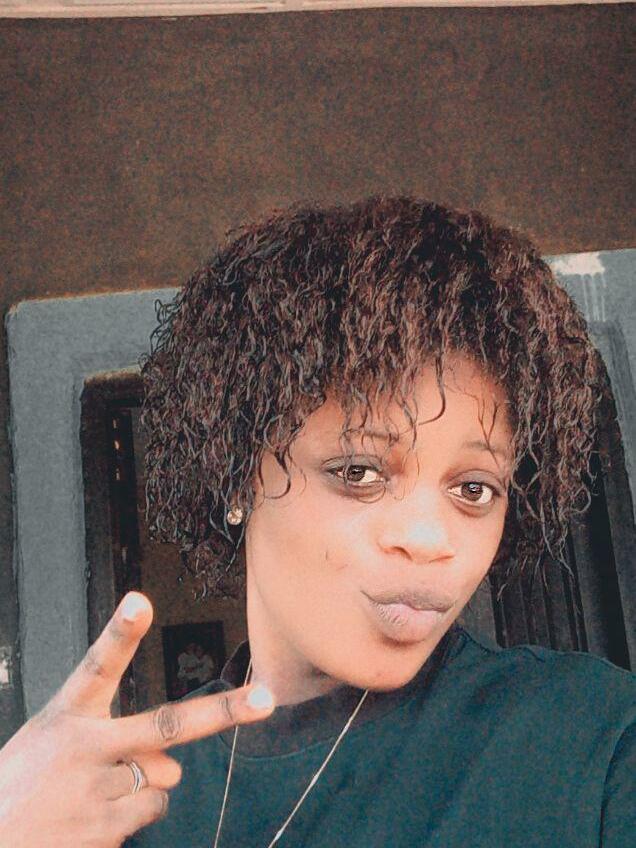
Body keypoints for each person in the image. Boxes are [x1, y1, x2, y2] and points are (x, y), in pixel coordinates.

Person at [0, 196, 633, 847]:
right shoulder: (123, 803)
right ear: (238, 475)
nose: (427, 539)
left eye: (474, 489)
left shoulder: (594, 741)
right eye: (359, 472)